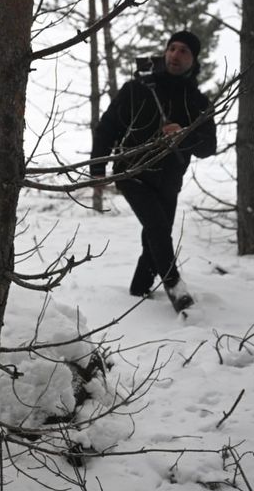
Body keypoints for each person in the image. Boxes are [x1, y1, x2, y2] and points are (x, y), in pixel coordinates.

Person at [90, 30, 217, 312]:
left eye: (184, 50)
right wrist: (97, 167)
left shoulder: (198, 102)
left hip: (169, 179)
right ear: (164, 52)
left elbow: (209, 146)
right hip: (131, 172)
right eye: (172, 48)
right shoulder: (137, 89)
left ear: (194, 61)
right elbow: (107, 128)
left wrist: (184, 134)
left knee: (156, 236)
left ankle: (138, 289)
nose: (175, 54)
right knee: (159, 228)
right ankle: (174, 285)